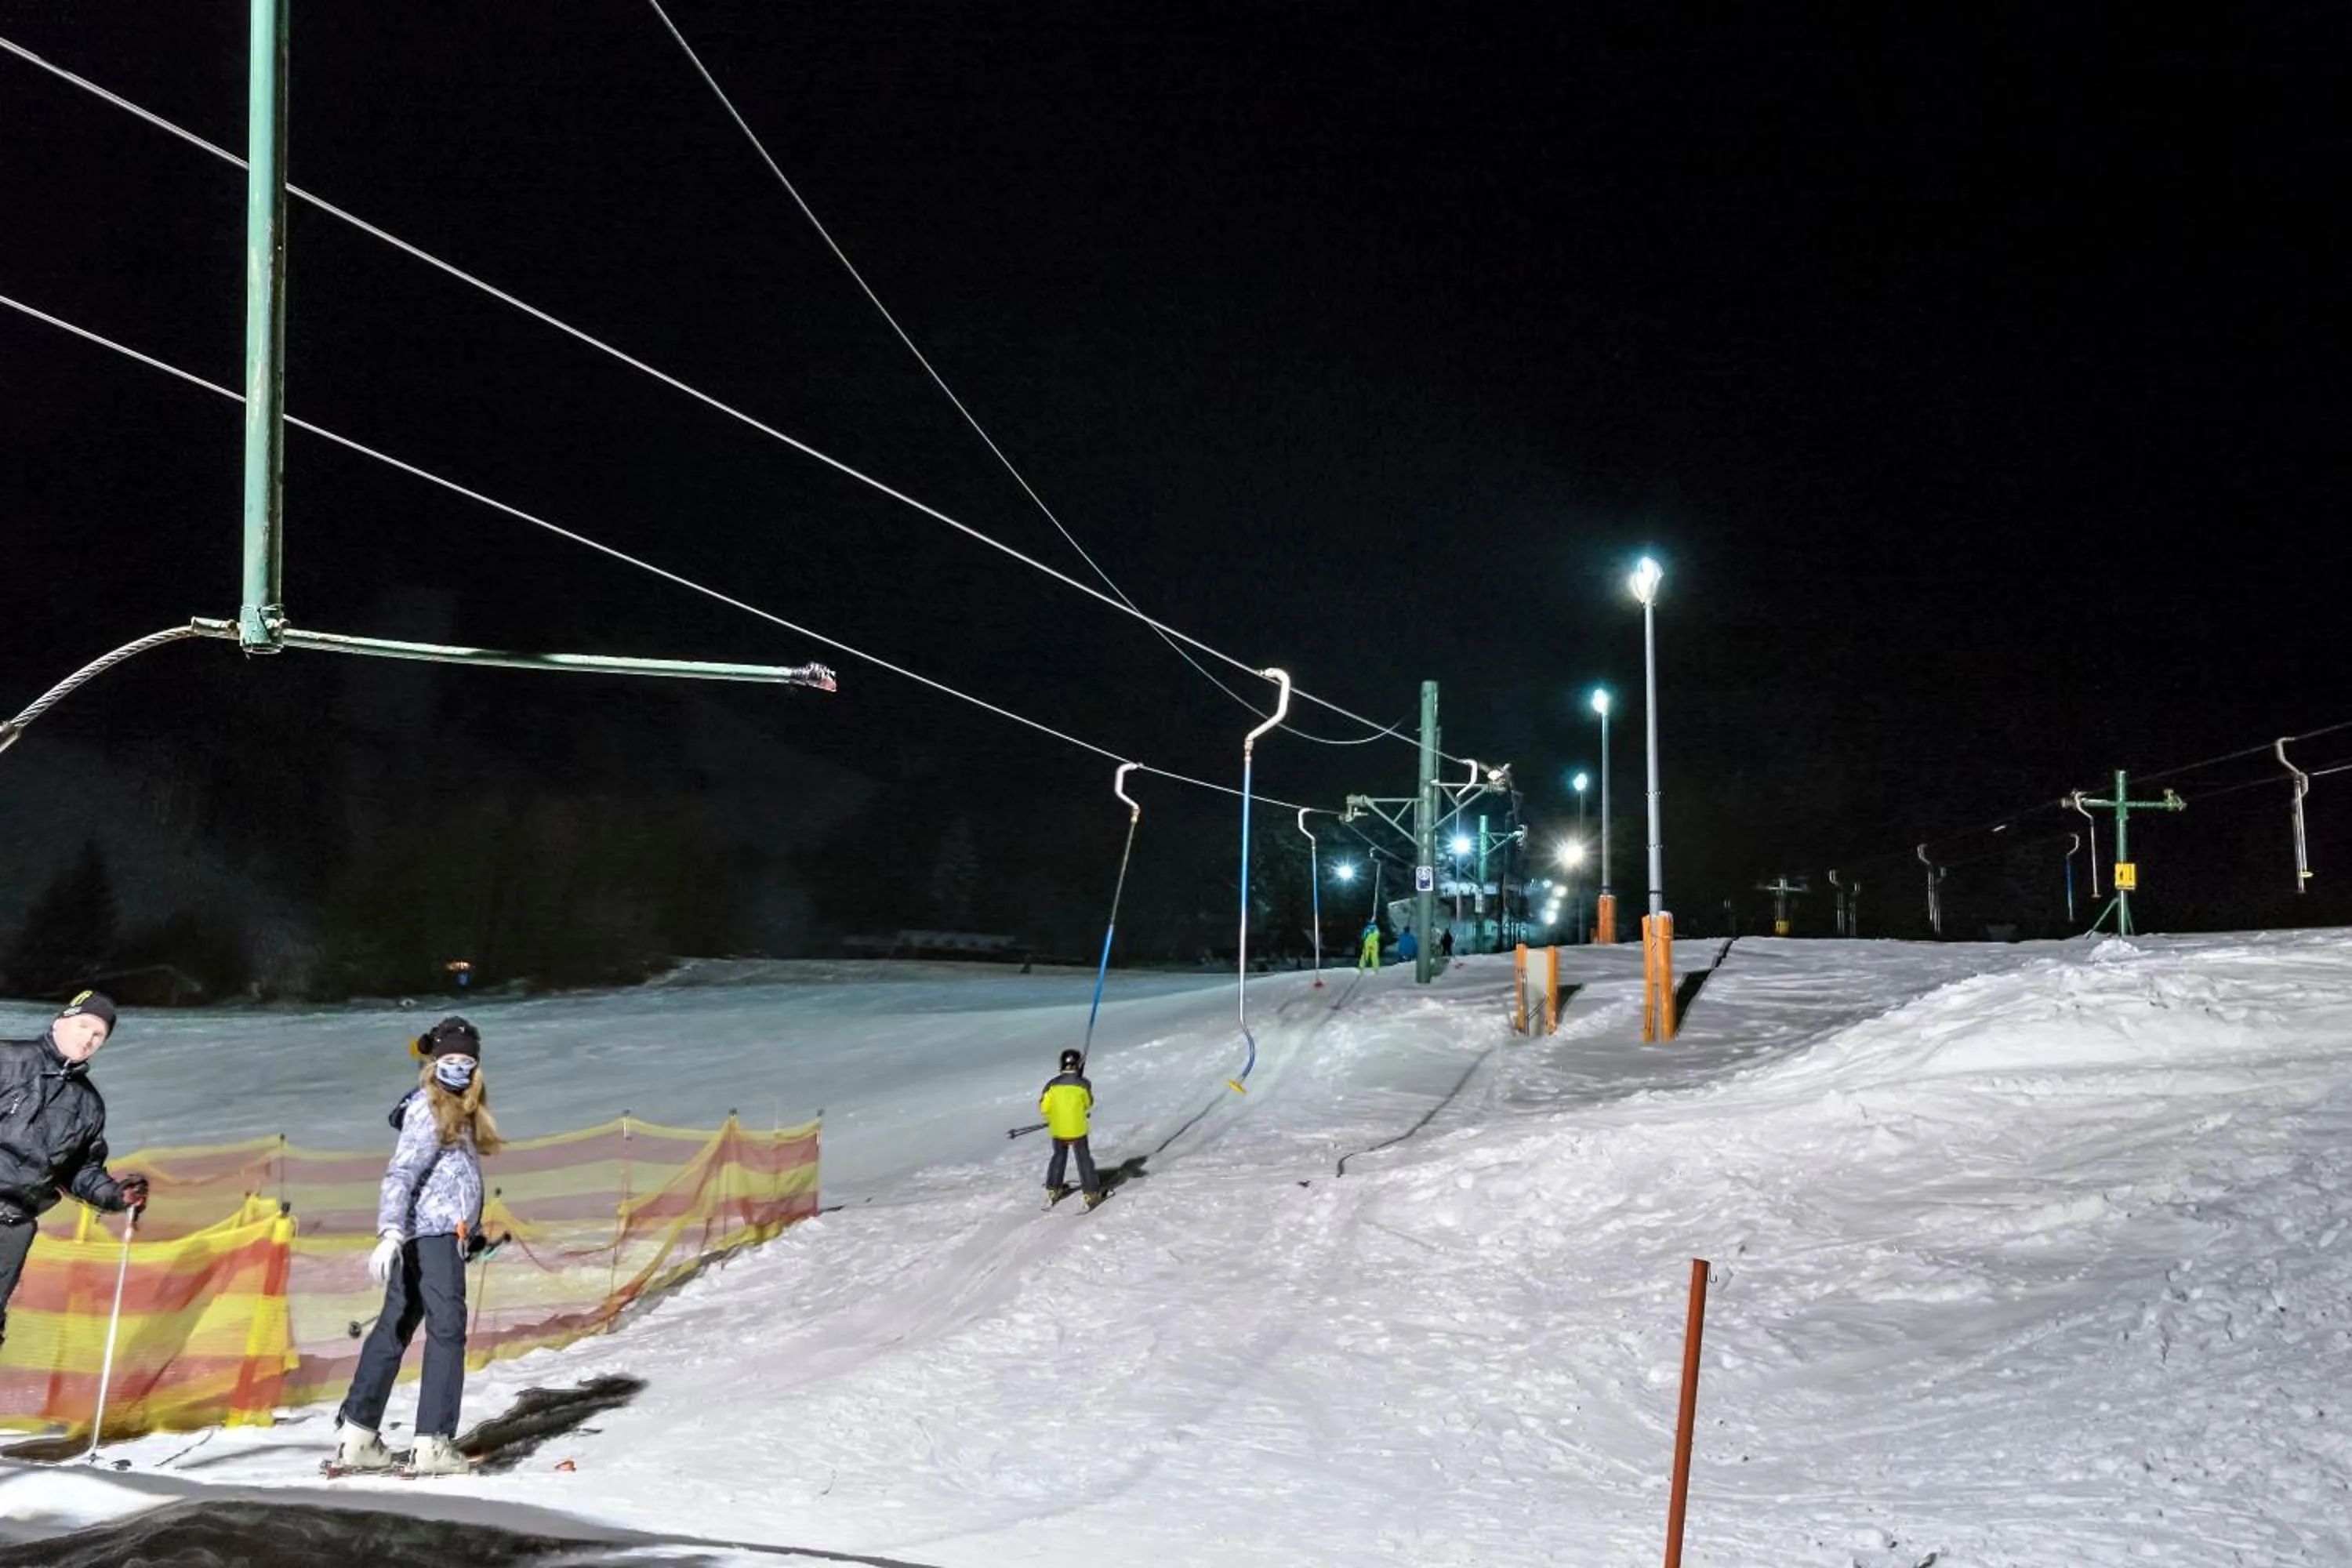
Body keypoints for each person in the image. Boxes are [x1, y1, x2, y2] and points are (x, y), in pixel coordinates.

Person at [331, 1015, 505, 1477]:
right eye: (450, 1059)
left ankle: (358, 1436)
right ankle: (433, 1442)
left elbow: (449, 1183)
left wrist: (473, 1235)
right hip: (430, 1236)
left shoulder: (455, 1108)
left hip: (434, 1235)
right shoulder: (428, 1108)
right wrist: (388, 1232)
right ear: (434, 1061)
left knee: (395, 1325)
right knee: (447, 1330)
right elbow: (401, 1174)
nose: (459, 1067)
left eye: (467, 1061)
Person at [0, 991, 147, 1356]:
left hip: (13, 1225)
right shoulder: (9, 1060)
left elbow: (81, 1171)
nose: (88, 1039)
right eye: (83, 1026)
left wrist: (118, 1196)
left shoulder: (88, 1104)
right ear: (59, 1022)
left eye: (98, 1035)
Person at [1039, 1048, 1102, 1210]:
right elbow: (1088, 1103)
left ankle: (1053, 1189)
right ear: (1078, 1065)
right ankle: (1091, 1193)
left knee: (1059, 1156)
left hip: (1058, 1130)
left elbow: (1044, 1108)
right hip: (1077, 1130)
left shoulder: (1052, 1085)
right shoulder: (1083, 1084)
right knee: (1083, 1159)